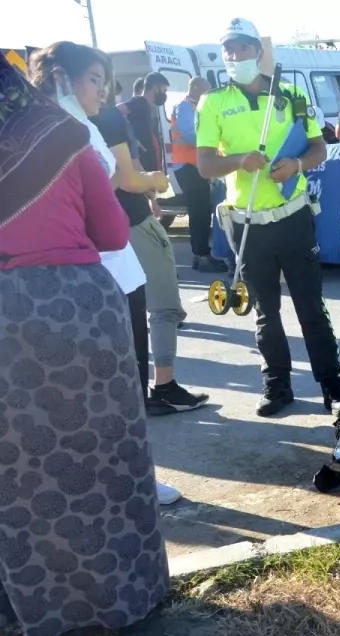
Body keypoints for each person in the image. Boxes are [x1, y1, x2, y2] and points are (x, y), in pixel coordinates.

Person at [0, 54, 171, 636]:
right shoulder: (64, 133)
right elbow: (111, 234)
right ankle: (127, 600)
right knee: (107, 456)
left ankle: (40, 612)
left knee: (21, 468)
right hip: (77, 311)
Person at [196, 18, 340, 416]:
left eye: (241, 48)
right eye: (228, 49)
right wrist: (238, 161)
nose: (233, 55)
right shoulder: (212, 101)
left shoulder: (291, 94)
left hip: (293, 217)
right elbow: (205, 165)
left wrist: (296, 165)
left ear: (257, 51)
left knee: (311, 307)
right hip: (247, 225)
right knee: (266, 311)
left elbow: (318, 146)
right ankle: (277, 386)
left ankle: (333, 386)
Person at [87, 70, 211, 416]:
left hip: (92, 233)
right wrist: (154, 182)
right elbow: (127, 176)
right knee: (164, 307)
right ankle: (165, 385)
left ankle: (128, 393)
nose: (101, 89)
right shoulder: (111, 117)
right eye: (94, 78)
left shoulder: (63, 123)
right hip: (130, 224)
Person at [171, 76, 226, 272]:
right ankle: (202, 257)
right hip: (188, 167)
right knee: (199, 212)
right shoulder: (185, 106)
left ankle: (202, 255)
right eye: (206, 90)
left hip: (192, 166)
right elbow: (189, 133)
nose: (208, 94)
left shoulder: (194, 106)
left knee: (201, 212)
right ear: (194, 88)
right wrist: (213, 144)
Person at [120, 71, 168, 175]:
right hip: (143, 163)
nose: (165, 94)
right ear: (156, 89)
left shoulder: (145, 106)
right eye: (164, 90)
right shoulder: (139, 102)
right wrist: (130, 138)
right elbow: (115, 111)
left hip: (148, 164)